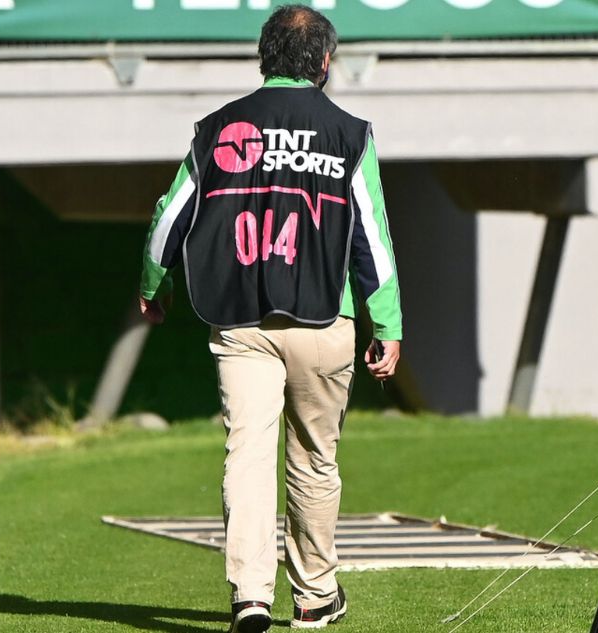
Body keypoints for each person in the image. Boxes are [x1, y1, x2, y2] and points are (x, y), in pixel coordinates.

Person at [138, 5, 402, 631]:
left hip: (239, 321)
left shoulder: (216, 128)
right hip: (324, 321)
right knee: (314, 460)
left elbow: (170, 216)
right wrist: (385, 323)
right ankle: (314, 596)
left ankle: (250, 596)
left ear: (264, 57)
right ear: (326, 62)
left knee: (247, 455)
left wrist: (155, 283)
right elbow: (372, 237)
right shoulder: (350, 133)